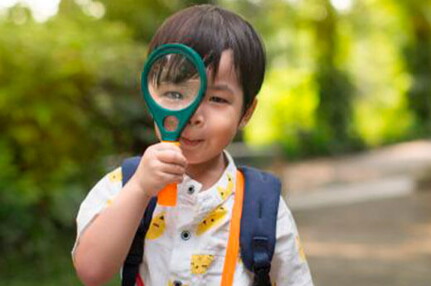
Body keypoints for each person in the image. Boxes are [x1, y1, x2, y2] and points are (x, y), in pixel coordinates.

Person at [72, 4, 313, 286]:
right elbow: (91, 272)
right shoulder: (123, 185)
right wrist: (139, 189)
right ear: (152, 97)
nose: (193, 115)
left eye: (217, 99)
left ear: (246, 112)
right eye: (175, 93)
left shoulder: (262, 205)